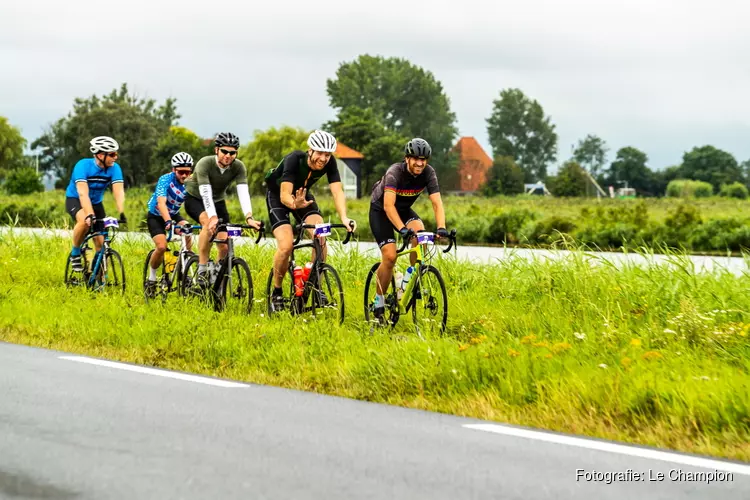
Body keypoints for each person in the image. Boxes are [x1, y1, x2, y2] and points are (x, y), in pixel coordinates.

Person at [264, 130, 356, 312]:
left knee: (320, 237)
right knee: (286, 246)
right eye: (320, 153)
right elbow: (284, 195)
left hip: (303, 196)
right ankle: (277, 292)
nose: (323, 158)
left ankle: (314, 287)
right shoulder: (294, 159)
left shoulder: (330, 163)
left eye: (327, 154)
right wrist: (294, 203)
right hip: (279, 198)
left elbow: (337, 192)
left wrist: (344, 218)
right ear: (310, 150)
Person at [368, 137, 449, 322]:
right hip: (381, 211)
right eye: (416, 159)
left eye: (423, 159)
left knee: (420, 235)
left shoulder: (429, 173)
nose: (420, 163)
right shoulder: (394, 173)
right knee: (390, 257)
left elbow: (437, 202)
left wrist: (442, 228)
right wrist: (402, 229)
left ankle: (408, 280)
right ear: (407, 158)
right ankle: (378, 300)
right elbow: (389, 206)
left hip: (403, 210)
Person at [182, 132, 261, 285]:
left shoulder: (238, 167)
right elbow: (205, 193)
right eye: (224, 151)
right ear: (216, 150)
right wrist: (212, 218)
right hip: (196, 198)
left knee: (225, 245)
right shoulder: (205, 163)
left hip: (218, 201)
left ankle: (215, 279)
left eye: (232, 153)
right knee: (208, 224)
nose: (228, 156)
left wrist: (249, 217)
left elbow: (243, 192)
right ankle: (203, 269)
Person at [65, 136, 127, 272]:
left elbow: (118, 192)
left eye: (116, 153)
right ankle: (75, 252)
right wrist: (90, 215)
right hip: (75, 199)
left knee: (101, 243)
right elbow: (83, 193)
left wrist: (121, 211)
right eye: (112, 154)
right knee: (84, 222)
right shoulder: (82, 166)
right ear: (100, 155)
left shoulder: (115, 168)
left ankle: (96, 276)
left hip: (97, 203)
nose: (115, 157)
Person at [144, 152, 194, 294]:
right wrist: (168, 221)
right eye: (181, 172)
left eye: (187, 172)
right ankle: (151, 279)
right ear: (174, 170)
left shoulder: (191, 182)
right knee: (161, 247)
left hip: (173, 214)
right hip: (157, 216)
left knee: (187, 228)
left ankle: (186, 269)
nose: (184, 175)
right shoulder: (165, 179)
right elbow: (161, 203)